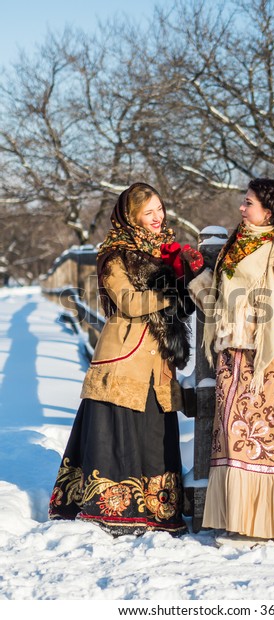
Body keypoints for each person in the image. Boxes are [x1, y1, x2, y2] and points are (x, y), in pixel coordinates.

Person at [48, 182, 203, 537]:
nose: (157, 217)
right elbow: (130, 303)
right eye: (148, 212)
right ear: (130, 217)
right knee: (119, 432)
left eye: (159, 209)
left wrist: (188, 277)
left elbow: (187, 294)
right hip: (125, 356)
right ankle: (111, 510)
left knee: (152, 434)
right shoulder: (115, 254)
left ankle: (156, 511)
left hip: (158, 360)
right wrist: (172, 293)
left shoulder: (165, 252)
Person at [187, 178, 274, 543]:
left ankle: (269, 525)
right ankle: (239, 522)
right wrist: (199, 276)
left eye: (248, 203)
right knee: (231, 440)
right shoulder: (235, 244)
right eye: (243, 202)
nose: (241, 209)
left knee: (267, 442)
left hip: (268, 361)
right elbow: (219, 305)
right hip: (232, 358)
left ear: (269, 211)